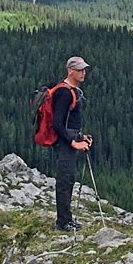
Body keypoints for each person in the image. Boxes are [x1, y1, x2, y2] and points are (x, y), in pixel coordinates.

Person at [51, 55, 92, 231]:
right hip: (64, 142)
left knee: (68, 180)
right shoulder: (64, 93)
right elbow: (57, 124)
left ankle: (67, 220)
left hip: (69, 138)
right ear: (70, 70)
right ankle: (63, 223)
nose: (83, 73)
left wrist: (81, 137)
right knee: (64, 180)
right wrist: (73, 143)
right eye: (79, 69)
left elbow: (70, 122)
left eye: (84, 69)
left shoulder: (73, 91)